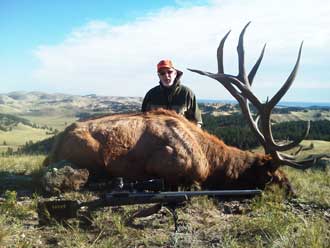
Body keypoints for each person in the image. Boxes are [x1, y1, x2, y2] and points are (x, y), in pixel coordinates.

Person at [142, 59, 203, 126]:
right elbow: (143, 120)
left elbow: (197, 122)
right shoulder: (151, 94)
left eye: (169, 72)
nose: (166, 75)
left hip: (180, 135)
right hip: (154, 135)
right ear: (159, 76)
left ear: (175, 73)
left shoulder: (187, 94)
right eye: (162, 73)